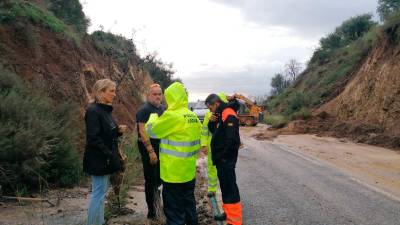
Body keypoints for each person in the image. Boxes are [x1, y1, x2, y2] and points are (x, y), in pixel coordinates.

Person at [145, 82, 201, 225]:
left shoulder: (172, 116)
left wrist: (153, 117)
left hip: (173, 174)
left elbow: (151, 131)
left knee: (174, 212)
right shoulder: (192, 116)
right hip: (188, 172)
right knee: (189, 206)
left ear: (170, 97)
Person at [83, 79, 127, 225]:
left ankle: (99, 222)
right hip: (99, 159)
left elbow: (107, 133)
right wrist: (109, 154)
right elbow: (93, 138)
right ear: (101, 92)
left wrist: (118, 131)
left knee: (101, 194)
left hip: (105, 158)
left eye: (115, 91)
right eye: (111, 91)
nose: (114, 94)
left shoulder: (105, 110)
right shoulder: (93, 111)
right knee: (98, 194)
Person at [205, 93, 242, 225]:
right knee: (225, 188)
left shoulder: (228, 113)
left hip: (226, 159)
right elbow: (214, 132)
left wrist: (223, 157)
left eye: (210, 108)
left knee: (230, 188)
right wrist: (211, 122)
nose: (211, 111)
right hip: (222, 160)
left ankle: (235, 221)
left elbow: (232, 140)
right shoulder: (220, 114)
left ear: (216, 104)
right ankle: (228, 214)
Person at [136, 83, 165, 219]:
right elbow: (142, 132)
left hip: (160, 149)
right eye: (155, 94)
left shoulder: (162, 109)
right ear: (148, 95)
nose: (158, 96)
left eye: (159, 94)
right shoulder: (144, 110)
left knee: (159, 179)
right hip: (149, 149)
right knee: (151, 180)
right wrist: (150, 151)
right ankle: (152, 212)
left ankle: (158, 207)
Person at [201, 93, 228, 195]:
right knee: (211, 168)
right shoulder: (208, 115)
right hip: (211, 147)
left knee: (224, 169)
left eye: (211, 107)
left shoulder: (226, 114)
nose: (210, 110)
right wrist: (203, 145)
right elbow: (204, 131)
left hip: (222, 147)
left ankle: (224, 189)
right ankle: (212, 189)